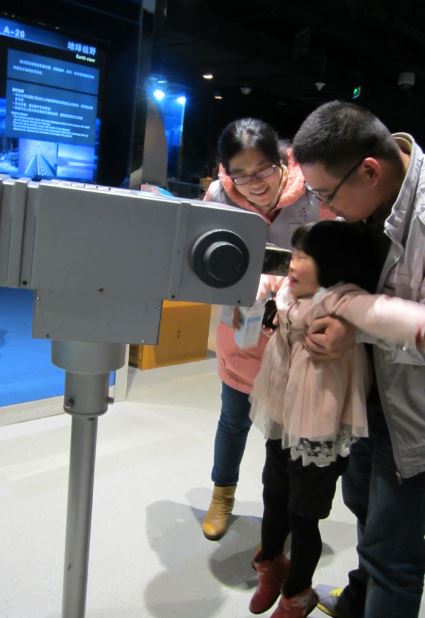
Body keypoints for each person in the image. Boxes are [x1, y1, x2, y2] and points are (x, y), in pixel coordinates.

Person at [248, 220, 425, 618]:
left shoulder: (339, 299)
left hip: (318, 428)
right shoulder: (289, 291)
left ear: (332, 263)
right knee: (273, 495)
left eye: (306, 256)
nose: (294, 264)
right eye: (294, 254)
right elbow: (264, 281)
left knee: (303, 516)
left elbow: (385, 314)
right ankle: (271, 564)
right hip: (282, 414)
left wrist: (418, 328)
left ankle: (297, 593)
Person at [291, 100, 425, 618]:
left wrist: (358, 327)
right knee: (367, 514)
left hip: (412, 414)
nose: (325, 207)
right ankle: (358, 601)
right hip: (370, 397)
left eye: (327, 194)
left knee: (393, 555)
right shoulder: (375, 201)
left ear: (369, 170)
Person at [201, 117, 326, 541]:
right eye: (242, 174)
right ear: (226, 172)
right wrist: (241, 286)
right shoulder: (219, 197)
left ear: (282, 161)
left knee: (288, 428)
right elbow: (202, 265)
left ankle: (284, 511)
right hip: (243, 324)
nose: (254, 184)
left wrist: (287, 282)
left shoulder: (312, 193)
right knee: (234, 417)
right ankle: (222, 494)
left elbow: (334, 257)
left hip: (296, 330)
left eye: (263, 170)